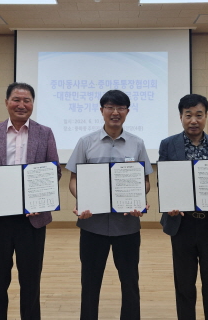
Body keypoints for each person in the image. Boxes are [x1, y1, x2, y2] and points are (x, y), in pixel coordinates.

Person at [0, 82, 61, 320]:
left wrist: (40, 199)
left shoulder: (45, 133)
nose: (22, 105)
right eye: (16, 99)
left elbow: (53, 171)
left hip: (32, 220)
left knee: (31, 281)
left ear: (33, 104)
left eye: (27, 100)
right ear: (6, 102)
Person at [66, 89, 153, 320]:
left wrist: (139, 199)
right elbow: (73, 179)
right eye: (110, 107)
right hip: (92, 225)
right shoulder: (86, 142)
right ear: (102, 110)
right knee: (90, 282)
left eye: (120, 108)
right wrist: (82, 199)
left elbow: (145, 181)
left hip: (127, 226)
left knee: (130, 282)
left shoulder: (137, 143)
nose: (115, 112)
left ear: (127, 112)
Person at [159, 94, 208, 320]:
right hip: (181, 223)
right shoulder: (168, 144)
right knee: (184, 283)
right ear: (181, 117)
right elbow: (164, 179)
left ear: (206, 116)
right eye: (188, 115)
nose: (194, 120)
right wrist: (170, 202)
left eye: (199, 115)